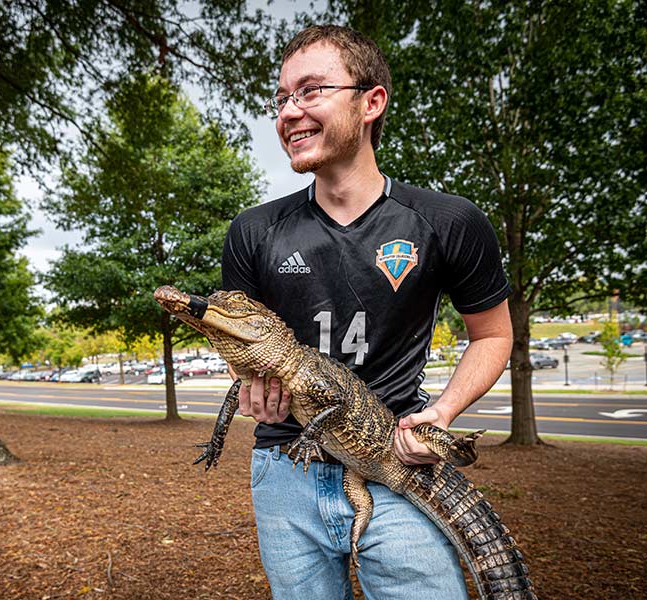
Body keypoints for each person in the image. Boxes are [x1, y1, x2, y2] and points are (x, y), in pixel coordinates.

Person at [221, 25, 513, 600]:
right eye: (281, 98)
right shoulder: (253, 231)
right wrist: (249, 386)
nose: (289, 112)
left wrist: (444, 412)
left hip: (398, 461)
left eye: (310, 91)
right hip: (285, 465)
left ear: (371, 101)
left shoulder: (449, 221)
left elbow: (493, 334)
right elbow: (243, 343)